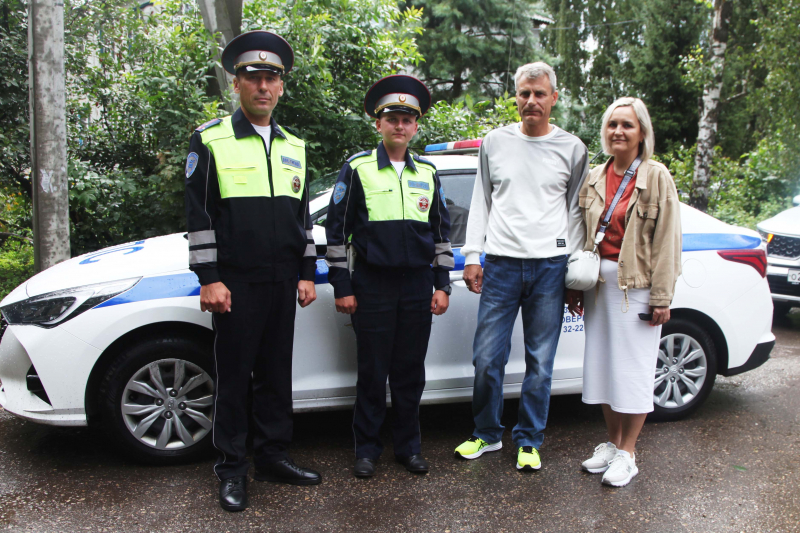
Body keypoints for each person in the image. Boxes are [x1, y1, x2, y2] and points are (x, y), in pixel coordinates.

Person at [184, 30, 321, 512]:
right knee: (235, 376)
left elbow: (301, 218)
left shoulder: (295, 146)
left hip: (284, 280)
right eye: (253, 77)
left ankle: (273, 457)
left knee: (275, 375)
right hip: (235, 283)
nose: (263, 86)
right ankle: (232, 470)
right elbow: (198, 216)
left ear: (281, 87)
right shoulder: (211, 140)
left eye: (272, 78)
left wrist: (306, 272)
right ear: (236, 84)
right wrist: (210, 278)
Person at [454, 62, 589, 471]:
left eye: (540, 94)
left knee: (540, 362)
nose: (531, 101)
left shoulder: (573, 148)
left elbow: (576, 215)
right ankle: (487, 434)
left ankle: (529, 440)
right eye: (524, 94)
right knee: (486, 358)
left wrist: (572, 271)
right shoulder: (494, 142)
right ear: (516, 96)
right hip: (501, 264)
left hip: (549, 267)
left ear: (554, 98)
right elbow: (482, 200)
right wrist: (473, 255)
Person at [325, 75, 453, 478]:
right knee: (371, 371)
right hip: (372, 285)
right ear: (378, 124)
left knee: (410, 372)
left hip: (416, 285)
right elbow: (335, 231)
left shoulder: (428, 174)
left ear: (416, 126)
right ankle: (366, 450)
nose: (399, 126)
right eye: (392, 118)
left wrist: (442, 284)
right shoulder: (358, 168)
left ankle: (408, 448)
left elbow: (440, 234)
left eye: (407, 119)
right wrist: (342, 285)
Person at [577, 97, 681, 487]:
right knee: (603, 367)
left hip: (635, 286)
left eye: (627, 125)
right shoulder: (593, 175)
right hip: (597, 285)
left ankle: (630, 453)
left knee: (633, 371)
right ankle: (613, 443)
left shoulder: (656, 177)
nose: (618, 131)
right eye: (613, 124)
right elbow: (583, 235)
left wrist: (662, 296)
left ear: (642, 134)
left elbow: (668, 241)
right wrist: (575, 287)